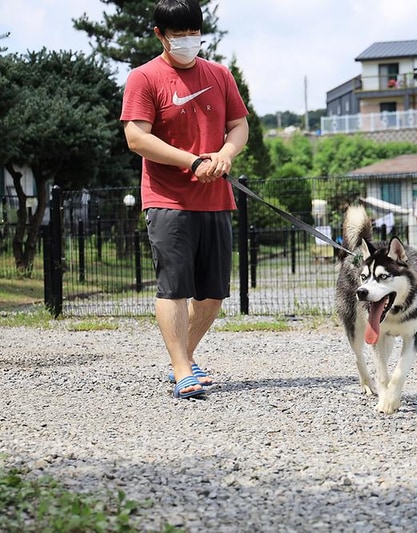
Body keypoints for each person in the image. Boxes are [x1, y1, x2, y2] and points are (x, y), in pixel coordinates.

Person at [120, 0, 249, 399]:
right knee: (174, 287)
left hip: (216, 198)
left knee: (211, 295)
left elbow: (239, 125)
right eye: (179, 36)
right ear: (160, 34)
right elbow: (136, 137)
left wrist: (225, 154)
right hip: (166, 198)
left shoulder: (219, 74)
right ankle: (181, 370)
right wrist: (192, 161)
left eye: (195, 34)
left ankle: (184, 356)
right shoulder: (144, 78)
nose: (189, 42)